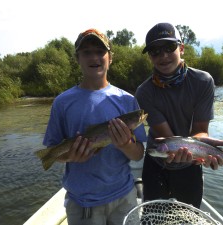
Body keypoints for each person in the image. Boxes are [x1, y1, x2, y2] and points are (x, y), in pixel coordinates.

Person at [43, 28, 147, 225]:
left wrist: (126, 144)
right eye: (87, 52)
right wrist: (71, 156)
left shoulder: (127, 100)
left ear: (110, 57)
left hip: (124, 196)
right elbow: (53, 150)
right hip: (83, 202)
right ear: (77, 58)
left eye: (100, 51)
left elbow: (138, 154)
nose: (94, 57)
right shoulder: (62, 102)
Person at [135, 22, 223, 208]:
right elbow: (170, 139)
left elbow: (201, 131)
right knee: (154, 217)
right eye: (155, 51)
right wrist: (190, 150)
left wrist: (205, 148)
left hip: (190, 165)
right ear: (149, 56)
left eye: (169, 47)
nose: (163, 55)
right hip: (157, 161)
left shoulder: (203, 81)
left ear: (181, 48)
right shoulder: (144, 92)